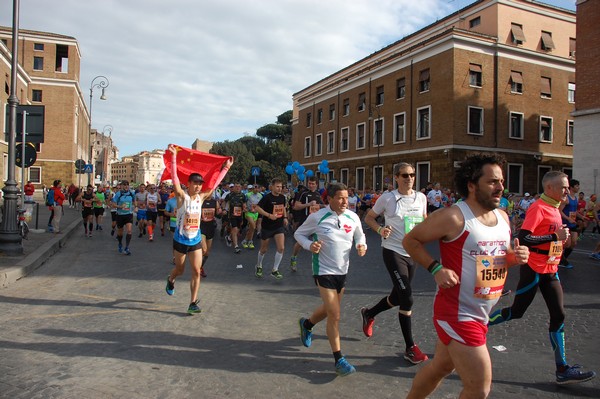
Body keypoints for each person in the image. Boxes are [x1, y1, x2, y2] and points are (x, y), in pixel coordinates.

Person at [402, 153, 530, 399]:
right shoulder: (454, 217)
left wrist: (516, 257)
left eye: (501, 181)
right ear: (472, 185)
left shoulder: (503, 218)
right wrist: (436, 268)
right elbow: (411, 240)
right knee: (479, 388)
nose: (500, 187)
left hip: (481, 314)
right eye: (492, 182)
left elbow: (498, 259)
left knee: (440, 366)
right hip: (458, 314)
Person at [488, 171, 596, 385]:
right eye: (563, 187)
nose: (567, 190)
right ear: (550, 189)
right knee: (516, 312)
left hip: (551, 269)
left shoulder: (556, 207)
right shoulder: (538, 207)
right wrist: (554, 236)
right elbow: (524, 237)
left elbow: (548, 237)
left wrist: (559, 240)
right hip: (534, 268)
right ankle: (474, 328)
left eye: (567, 187)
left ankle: (562, 368)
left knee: (559, 314)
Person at [295, 183, 367, 376]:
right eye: (341, 198)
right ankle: (339, 359)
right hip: (323, 270)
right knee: (335, 314)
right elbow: (299, 233)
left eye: (347, 197)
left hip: (342, 271)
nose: (346, 201)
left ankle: (307, 324)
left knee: (329, 310)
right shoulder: (318, 217)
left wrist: (361, 245)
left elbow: (361, 236)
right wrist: (310, 245)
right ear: (330, 199)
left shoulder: (353, 217)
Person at [360, 162, 429, 364]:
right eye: (404, 175)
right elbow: (369, 217)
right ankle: (410, 348)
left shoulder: (422, 197)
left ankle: (369, 313)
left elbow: (424, 220)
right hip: (393, 251)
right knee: (407, 297)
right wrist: (380, 230)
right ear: (396, 178)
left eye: (412, 175)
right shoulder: (388, 198)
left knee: (397, 296)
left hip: (412, 253)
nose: (409, 178)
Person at [165, 144, 232, 315]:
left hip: (195, 240)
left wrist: (225, 168)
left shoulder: (201, 198)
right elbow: (174, 180)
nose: (198, 186)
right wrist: (173, 157)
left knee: (196, 270)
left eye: (200, 184)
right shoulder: (182, 197)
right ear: (188, 184)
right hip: (180, 240)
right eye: (195, 183)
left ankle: (192, 302)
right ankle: (171, 279)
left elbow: (215, 184)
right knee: (180, 270)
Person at [254, 178, 289, 279]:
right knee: (263, 249)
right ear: (272, 187)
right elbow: (257, 208)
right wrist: (269, 215)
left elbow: (283, 208)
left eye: (281, 187)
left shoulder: (282, 197)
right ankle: (259, 265)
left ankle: (275, 270)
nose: (279, 188)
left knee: (281, 248)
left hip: (278, 226)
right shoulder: (267, 197)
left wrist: (285, 217)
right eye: (277, 186)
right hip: (267, 227)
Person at [290, 177, 324, 271]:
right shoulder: (303, 193)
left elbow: (322, 205)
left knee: (320, 242)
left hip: (316, 222)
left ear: (316, 185)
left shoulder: (318, 194)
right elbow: (296, 206)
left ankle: (321, 264)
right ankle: (294, 257)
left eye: (313, 184)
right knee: (300, 243)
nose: (311, 185)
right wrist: (308, 204)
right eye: (309, 183)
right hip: (305, 221)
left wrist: (322, 206)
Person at [558, 179, 580, 269]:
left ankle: (563, 259)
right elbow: (559, 211)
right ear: (571, 187)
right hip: (566, 223)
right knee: (567, 244)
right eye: (577, 186)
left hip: (573, 223)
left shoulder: (576, 198)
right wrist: (568, 219)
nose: (578, 188)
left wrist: (582, 217)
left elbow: (575, 211)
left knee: (574, 242)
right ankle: (561, 259)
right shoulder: (567, 199)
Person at [199, 192, 221, 277]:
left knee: (207, 253)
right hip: (202, 227)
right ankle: (198, 268)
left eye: (211, 192)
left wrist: (220, 212)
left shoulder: (215, 202)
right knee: (204, 249)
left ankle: (200, 267)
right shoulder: (201, 201)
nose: (210, 193)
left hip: (211, 228)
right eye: (208, 192)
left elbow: (218, 216)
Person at [111, 180, 136, 255]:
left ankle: (127, 247)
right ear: (121, 186)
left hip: (129, 214)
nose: (126, 186)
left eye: (127, 185)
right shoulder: (118, 194)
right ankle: (120, 243)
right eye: (124, 185)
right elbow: (113, 204)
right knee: (120, 232)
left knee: (129, 231)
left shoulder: (131, 193)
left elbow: (135, 201)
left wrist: (136, 207)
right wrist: (120, 206)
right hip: (120, 215)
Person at [223, 183, 246, 253]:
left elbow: (244, 204)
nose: (237, 188)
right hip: (232, 215)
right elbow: (224, 202)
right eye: (236, 186)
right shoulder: (230, 195)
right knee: (235, 229)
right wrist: (224, 209)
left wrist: (245, 208)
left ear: (241, 187)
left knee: (237, 229)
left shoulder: (243, 195)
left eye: (239, 186)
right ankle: (236, 246)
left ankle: (229, 237)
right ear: (234, 188)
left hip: (240, 215)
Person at [242, 184, 262, 249]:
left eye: (257, 188)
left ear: (259, 189)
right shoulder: (248, 194)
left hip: (256, 213)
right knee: (253, 226)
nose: (256, 189)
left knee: (252, 228)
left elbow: (261, 204)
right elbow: (244, 202)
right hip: (249, 213)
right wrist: (244, 207)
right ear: (252, 189)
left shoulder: (260, 195)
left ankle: (247, 241)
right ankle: (249, 240)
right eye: (255, 188)